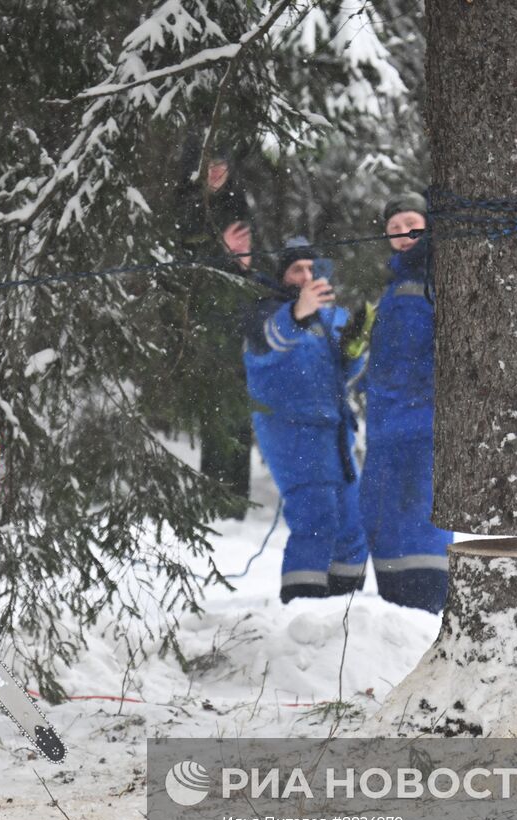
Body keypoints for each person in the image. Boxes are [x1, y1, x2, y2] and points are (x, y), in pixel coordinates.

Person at [242, 238, 368, 603]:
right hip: (290, 432)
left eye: (312, 268)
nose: (307, 275)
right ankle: (302, 609)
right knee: (316, 518)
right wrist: (298, 311)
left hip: (334, 432)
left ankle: (348, 610)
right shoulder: (266, 312)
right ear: (283, 277)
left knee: (350, 521)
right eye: (297, 269)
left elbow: (342, 371)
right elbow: (268, 345)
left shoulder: (329, 319)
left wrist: (355, 348)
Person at [357, 193, 454, 613]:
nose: (403, 235)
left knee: (421, 513)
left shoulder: (437, 274)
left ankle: (427, 607)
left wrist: (420, 390)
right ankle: (395, 608)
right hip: (386, 425)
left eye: (411, 224)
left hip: (420, 422)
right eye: (394, 228)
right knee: (382, 514)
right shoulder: (395, 284)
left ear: (428, 225)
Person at [169, 132, 266, 515]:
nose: (217, 172)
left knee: (237, 407)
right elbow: (184, 259)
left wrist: (242, 260)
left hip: (236, 314)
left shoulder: (238, 201)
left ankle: (235, 499)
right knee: (213, 408)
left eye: (223, 165)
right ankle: (213, 497)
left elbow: (246, 258)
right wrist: (221, 249)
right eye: (210, 166)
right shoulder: (187, 204)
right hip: (203, 316)